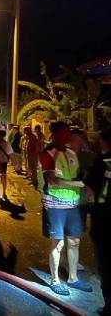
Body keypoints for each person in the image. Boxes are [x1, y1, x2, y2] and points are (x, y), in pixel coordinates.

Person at [40, 121, 92, 296]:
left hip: (73, 204)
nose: (67, 136)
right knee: (57, 243)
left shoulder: (71, 153)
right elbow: (52, 180)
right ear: (54, 134)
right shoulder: (48, 153)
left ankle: (73, 278)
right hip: (55, 204)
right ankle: (55, 280)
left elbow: (78, 175)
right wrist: (79, 184)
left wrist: (85, 187)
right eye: (63, 133)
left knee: (74, 241)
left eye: (68, 133)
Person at [85, 128, 111, 315]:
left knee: (107, 266)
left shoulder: (102, 162)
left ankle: (109, 307)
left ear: (103, 142)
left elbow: (89, 189)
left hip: (104, 221)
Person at [0, 129, 13, 199]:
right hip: (4, 162)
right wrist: (10, 161)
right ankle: (4, 192)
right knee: (3, 177)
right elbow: (10, 154)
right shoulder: (7, 143)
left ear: (1, 135)